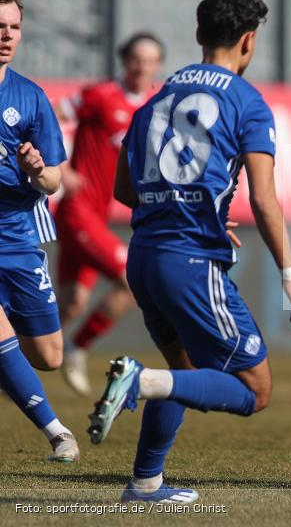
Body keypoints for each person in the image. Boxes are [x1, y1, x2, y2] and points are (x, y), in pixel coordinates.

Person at [89, 0, 291, 504]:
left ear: (197, 35)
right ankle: (139, 383)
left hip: (142, 258)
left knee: (184, 370)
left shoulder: (155, 99)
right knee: (255, 391)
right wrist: (290, 274)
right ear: (249, 41)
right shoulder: (246, 102)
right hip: (190, 262)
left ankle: (145, 484)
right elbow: (263, 198)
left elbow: (125, 190)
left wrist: (186, 207)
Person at [55, 32, 164, 396]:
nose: (142, 67)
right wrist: (59, 166)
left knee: (71, 302)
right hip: (76, 211)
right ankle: (76, 348)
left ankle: (12, 360)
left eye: (149, 61)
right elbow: (48, 117)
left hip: (96, 215)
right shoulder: (99, 96)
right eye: (136, 59)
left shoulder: (154, 105)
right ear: (124, 60)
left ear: (157, 66)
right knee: (132, 281)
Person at [0, 0, 79, 462]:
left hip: (19, 236)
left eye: (13, 28)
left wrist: (35, 170)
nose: (6, 36)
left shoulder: (29, 97)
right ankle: (57, 434)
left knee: (49, 357)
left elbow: (54, 181)